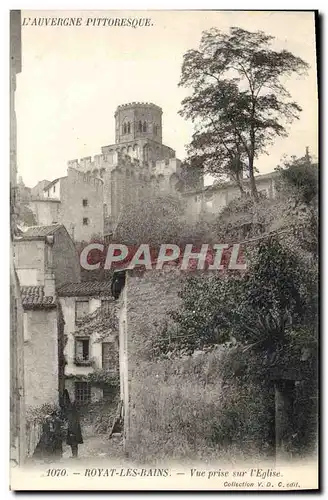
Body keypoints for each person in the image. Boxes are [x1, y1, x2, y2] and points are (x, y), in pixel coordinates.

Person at [61, 390, 83, 458]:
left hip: (73, 428)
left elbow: (74, 421)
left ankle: (75, 455)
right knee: (72, 442)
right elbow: (66, 402)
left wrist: (72, 431)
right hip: (72, 427)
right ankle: (74, 455)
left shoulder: (73, 411)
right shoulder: (71, 410)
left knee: (74, 441)